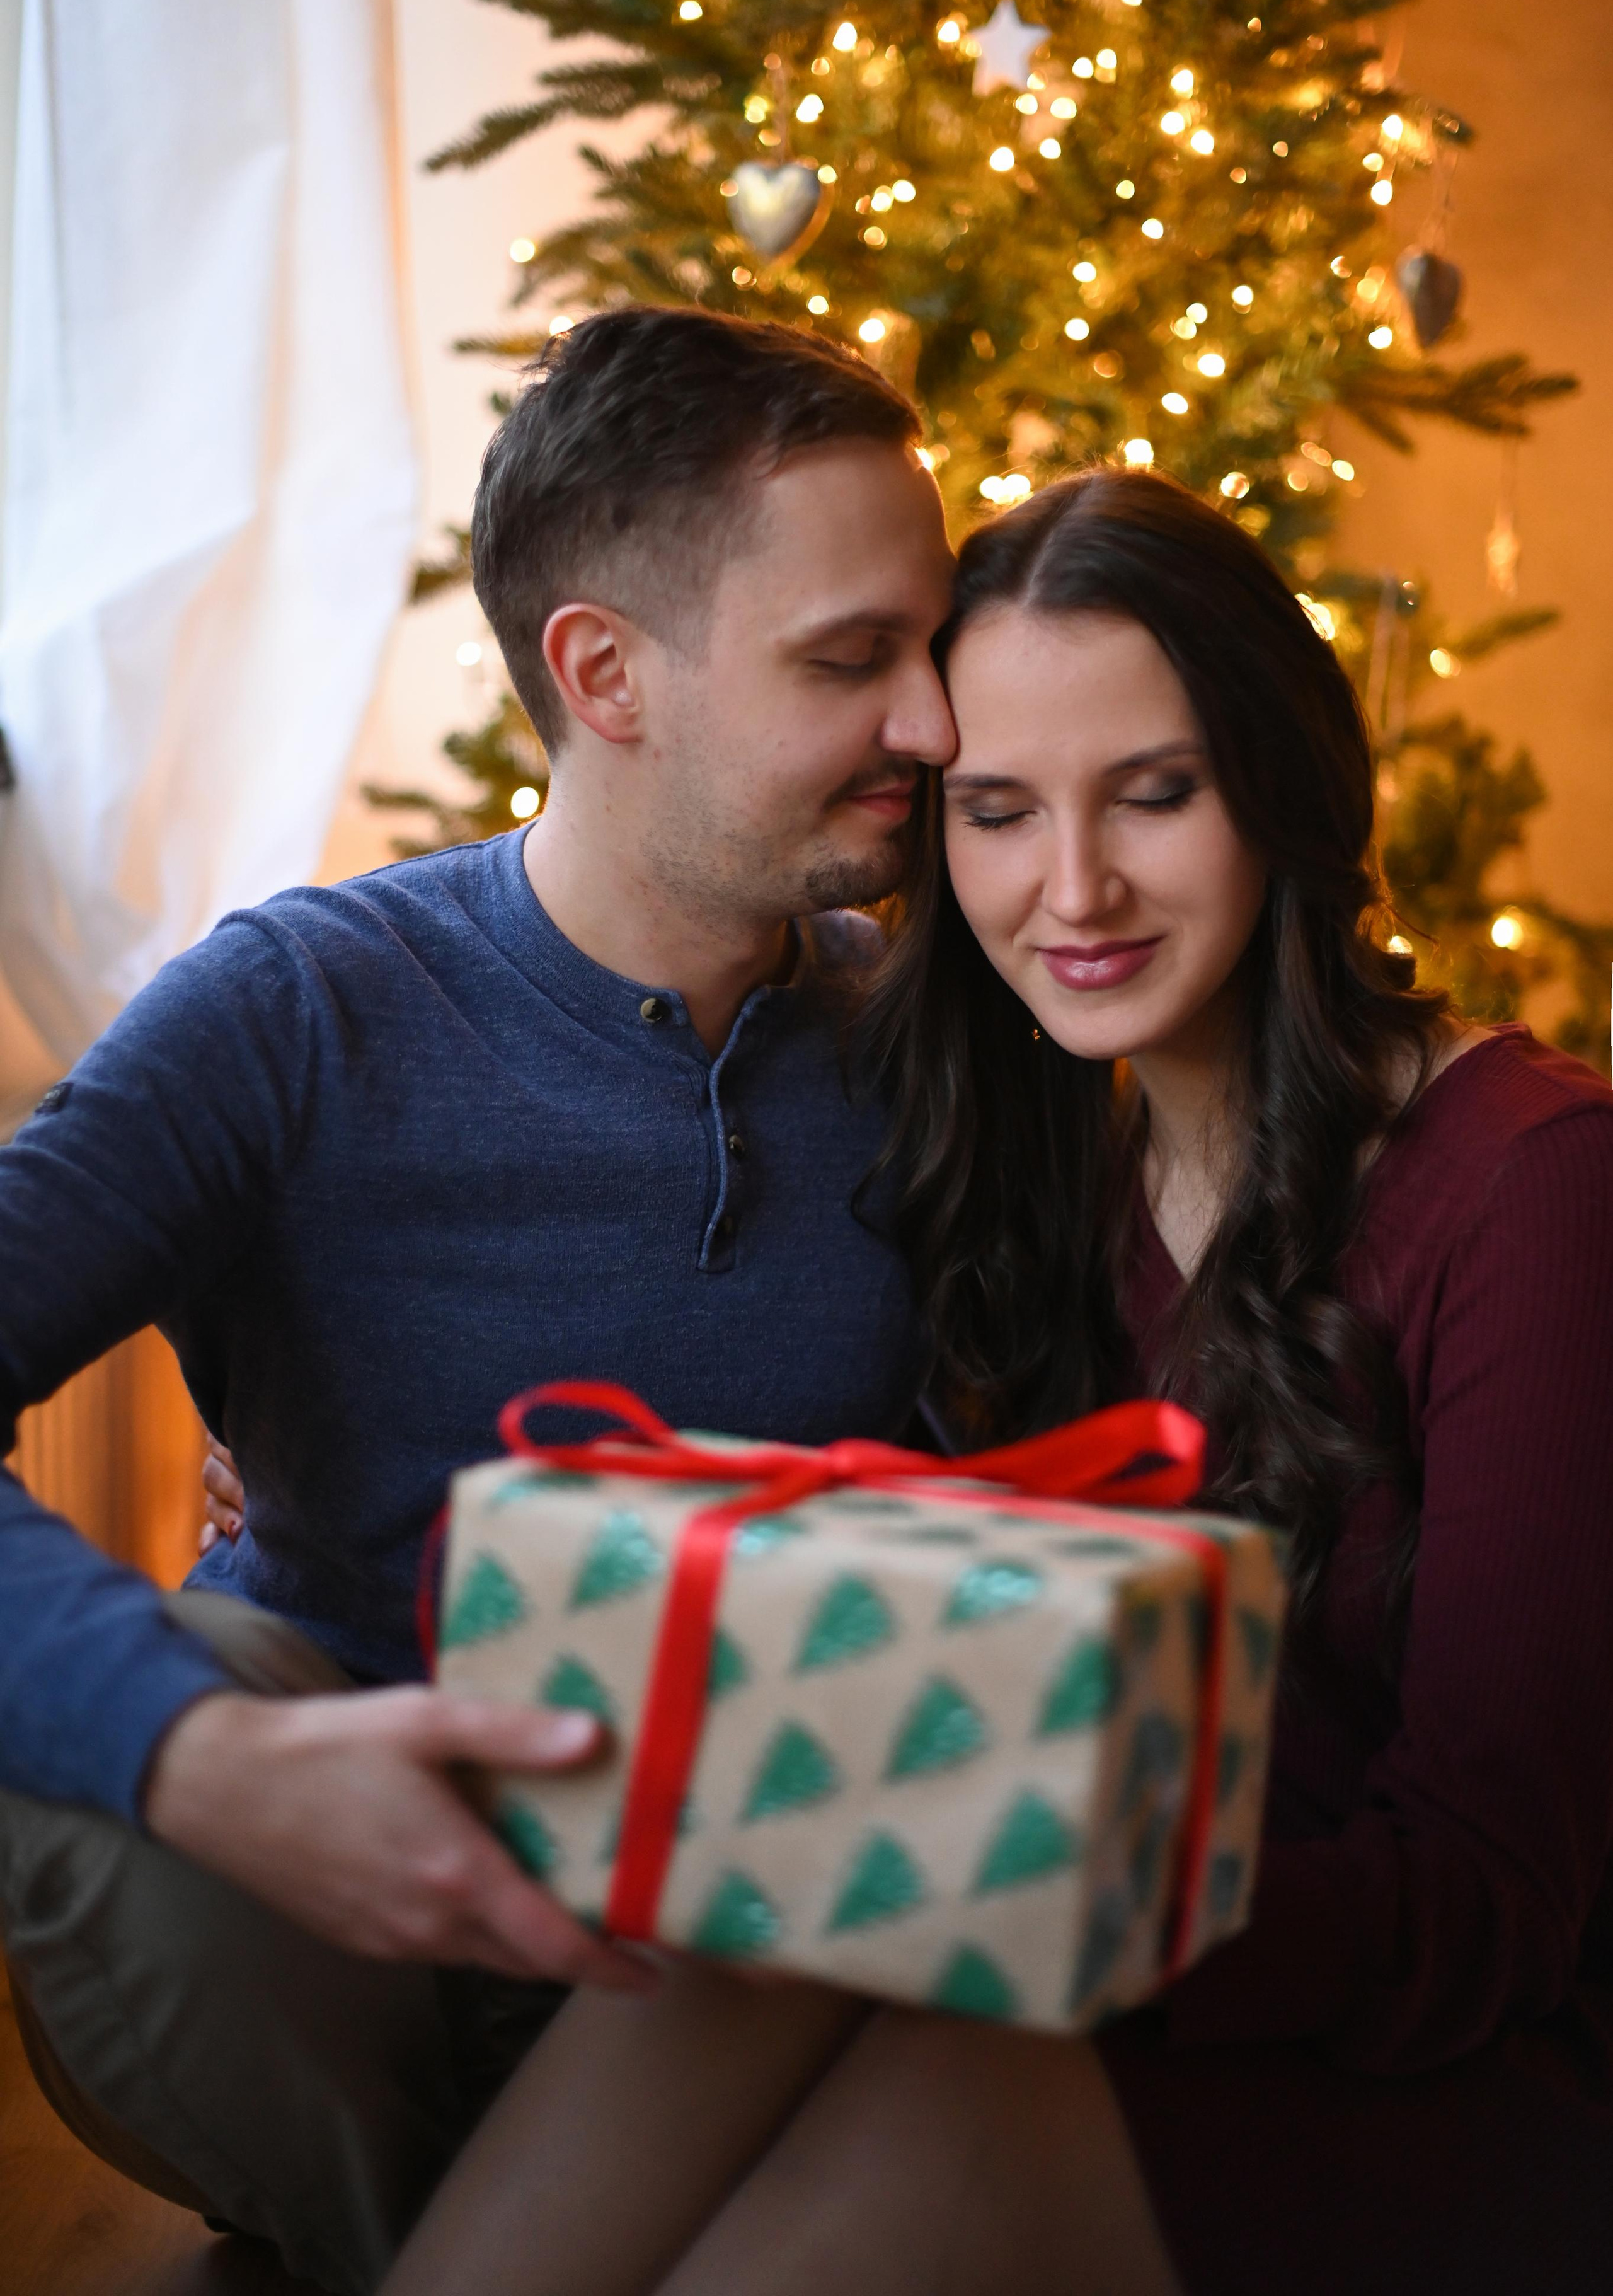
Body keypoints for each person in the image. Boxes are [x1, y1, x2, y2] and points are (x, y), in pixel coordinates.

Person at [374, 469, 1613, 2296]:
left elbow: (1496, 1902)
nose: (1075, 888)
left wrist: (1026, 1880)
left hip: (1458, 2061)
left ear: (1279, 787)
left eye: (1157, 796)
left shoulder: (1536, 1184)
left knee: (916, 2047)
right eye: (1000, 812)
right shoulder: (1053, 1173)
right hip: (1117, 1962)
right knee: (758, 1947)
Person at [0, 305, 957, 2294]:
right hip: (346, 1908)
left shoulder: (955, 1036)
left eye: (932, 646)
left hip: (764, 1917)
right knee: (102, 1765)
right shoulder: (298, 1010)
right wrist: (197, 1749)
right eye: (853, 659)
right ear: (604, 673)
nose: (937, 725)